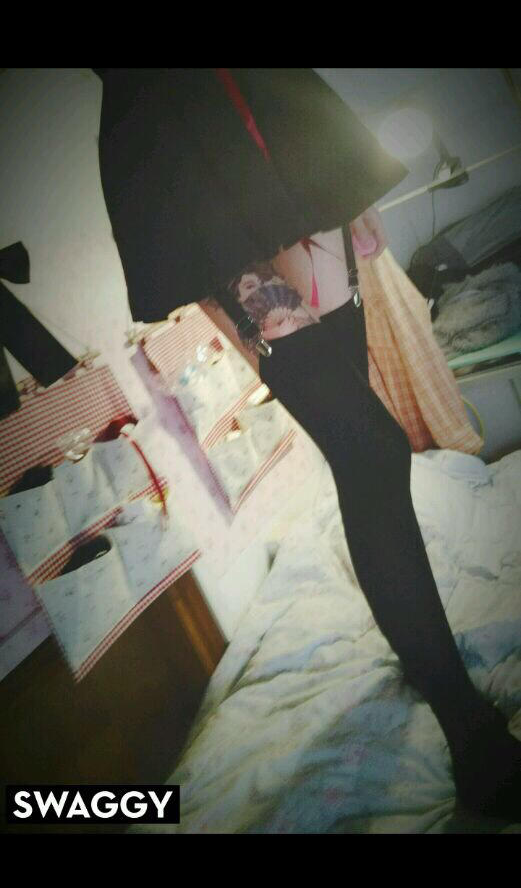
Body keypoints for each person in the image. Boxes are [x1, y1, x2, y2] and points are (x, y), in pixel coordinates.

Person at [95, 68, 521, 821]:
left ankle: (427, 656)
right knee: (372, 450)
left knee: (369, 451)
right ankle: (464, 720)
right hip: (197, 174)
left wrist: (345, 183)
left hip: (289, 153)